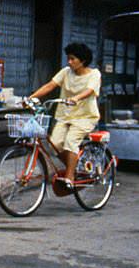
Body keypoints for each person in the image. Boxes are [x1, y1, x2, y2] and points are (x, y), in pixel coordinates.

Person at [27, 43, 102, 185]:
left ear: (83, 60)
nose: (69, 62)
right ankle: (74, 166)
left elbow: (90, 91)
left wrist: (76, 98)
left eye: (73, 59)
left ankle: (69, 177)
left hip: (85, 117)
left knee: (70, 142)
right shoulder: (66, 72)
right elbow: (50, 85)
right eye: (68, 58)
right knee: (54, 144)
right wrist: (31, 97)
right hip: (65, 116)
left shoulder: (94, 74)